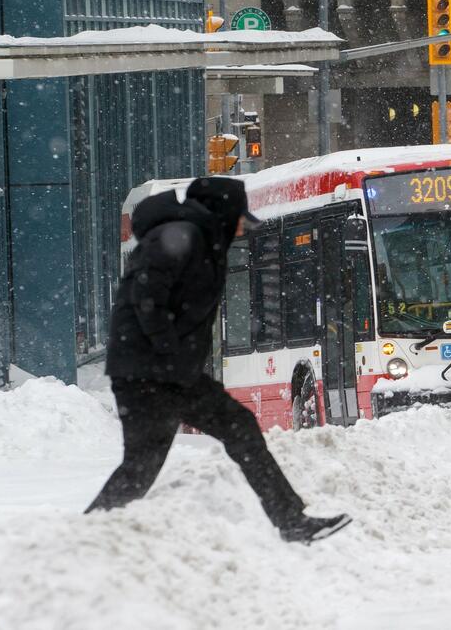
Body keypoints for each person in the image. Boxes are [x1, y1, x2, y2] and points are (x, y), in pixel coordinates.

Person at [86, 176, 351, 546]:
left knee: (145, 464)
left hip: (156, 372)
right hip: (153, 373)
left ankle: (87, 536)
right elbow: (147, 297)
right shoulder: (181, 237)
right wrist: (169, 353)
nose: (243, 226)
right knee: (209, 439)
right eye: (240, 217)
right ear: (223, 212)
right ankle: (290, 520)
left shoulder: (196, 238)